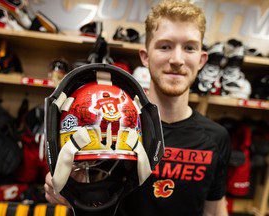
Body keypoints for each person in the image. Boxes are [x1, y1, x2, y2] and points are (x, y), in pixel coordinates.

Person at [44, 1, 231, 215]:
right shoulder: (109, 125)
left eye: (189, 48)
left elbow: (214, 210)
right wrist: (68, 187)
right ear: (145, 56)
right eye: (165, 46)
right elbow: (80, 190)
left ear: (201, 59)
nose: (177, 59)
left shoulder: (216, 138)